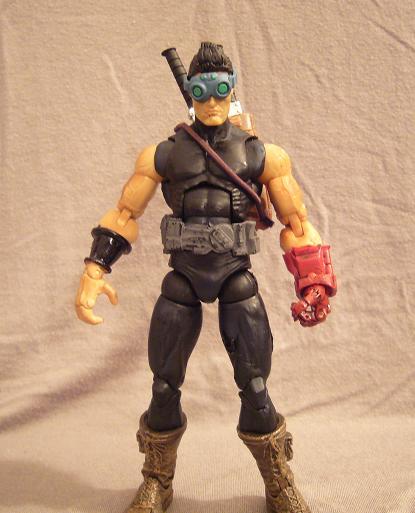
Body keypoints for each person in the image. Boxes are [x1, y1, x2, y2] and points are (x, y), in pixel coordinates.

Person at [75, 42, 336, 513]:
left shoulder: (262, 155)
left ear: (232, 90)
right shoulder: (163, 154)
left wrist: (313, 280)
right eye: (201, 90)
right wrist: (96, 266)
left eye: (220, 89)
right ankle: (157, 481)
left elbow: (297, 224)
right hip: (183, 278)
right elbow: (124, 213)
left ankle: (278, 481)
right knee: (163, 385)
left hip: (236, 276)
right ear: (189, 92)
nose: (211, 101)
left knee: (256, 387)